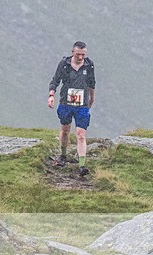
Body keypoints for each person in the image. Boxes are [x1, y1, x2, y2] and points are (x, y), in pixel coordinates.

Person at [48, 41, 96, 177]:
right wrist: (51, 95)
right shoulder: (64, 64)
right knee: (65, 130)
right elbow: (55, 81)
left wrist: (92, 99)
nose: (81, 57)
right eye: (78, 54)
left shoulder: (89, 65)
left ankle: (82, 165)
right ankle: (63, 155)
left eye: (83, 54)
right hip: (66, 102)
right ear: (72, 52)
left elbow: (92, 82)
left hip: (82, 105)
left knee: (81, 134)